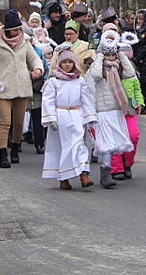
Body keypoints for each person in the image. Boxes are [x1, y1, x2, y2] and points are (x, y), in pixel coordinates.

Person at [0, 10, 44, 168]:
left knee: (19, 122)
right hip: (3, 87)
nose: (17, 32)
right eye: (14, 30)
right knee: (5, 122)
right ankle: (3, 153)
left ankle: (16, 146)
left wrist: (38, 69)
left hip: (22, 86)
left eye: (19, 29)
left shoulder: (25, 41)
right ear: (7, 30)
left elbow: (34, 58)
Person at [41, 46, 97, 190]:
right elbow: (48, 100)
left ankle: (84, 174)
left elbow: (86, 100)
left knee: (79, 145)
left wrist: (89, 117)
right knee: (63, 147)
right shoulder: (54, 82)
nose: (67, 65)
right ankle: (63, 177)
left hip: (76, 115)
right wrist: (50, 117)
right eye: (64, 62)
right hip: (60, 117)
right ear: (59, 64)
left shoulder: (80, 81)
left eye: (70, 62)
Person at [86, 31, 134, 188]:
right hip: (103, 111)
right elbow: (95, 75)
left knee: (114, 143)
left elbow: (130, 73)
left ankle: (107, 169)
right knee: (106, 144)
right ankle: (105, 172)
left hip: (116, 110)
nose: (110, 58)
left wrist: (121, 55)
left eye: (113, 55)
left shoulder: (118, 68)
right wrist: (100, 55)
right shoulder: (98, 68)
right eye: (108, 55)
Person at [111, 36, 144, 181]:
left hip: (129, 109)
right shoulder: (110, 73)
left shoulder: (131, 74)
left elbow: (137, 89)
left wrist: (139, 103)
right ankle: (116, 167)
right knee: (116, 137)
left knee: (133, 135)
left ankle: (128, 163)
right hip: (114, 110)